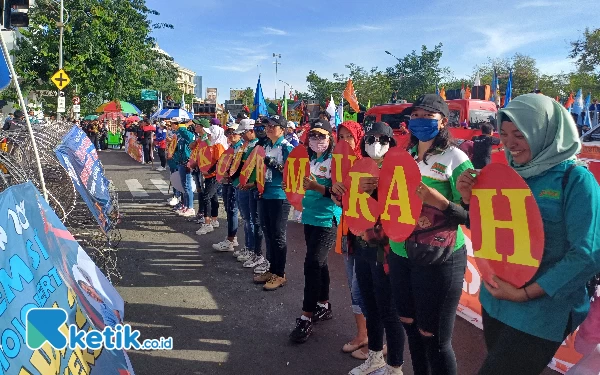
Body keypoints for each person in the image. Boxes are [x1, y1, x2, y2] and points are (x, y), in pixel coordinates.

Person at [456, 94, 600, 375]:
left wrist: (524, 294)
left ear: (544, 131)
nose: (510, 143)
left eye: (520, 134)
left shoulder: (576, 180)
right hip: (495, 299)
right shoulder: (508, 173)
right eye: (505, 134)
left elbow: (587, 254)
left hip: (543, 310)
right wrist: (467, 199)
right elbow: (490, 233)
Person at [388, 94, 472, 375]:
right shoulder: (404, 156)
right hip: (400, 252)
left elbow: (472, 216)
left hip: (439, 257)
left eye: (428, 116)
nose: (420, 121)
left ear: (443, 121)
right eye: (416, 115)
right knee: (410, 326)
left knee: (434, 339)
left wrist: (441, 202)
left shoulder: (456, 157)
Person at [288, 119, 341, 343]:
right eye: (313, 136)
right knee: (320, 264)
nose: (317, 140)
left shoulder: (335, 161)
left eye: (321, 136)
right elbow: (300, 185)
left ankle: (306, 316)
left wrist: (316, 186)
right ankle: (324, 304)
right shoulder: (309, 159)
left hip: (327, 219)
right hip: (309, 217)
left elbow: (339, 196)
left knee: (312, 265)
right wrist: (290, 187)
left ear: (330, 138)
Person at [330, 121, 369, 359]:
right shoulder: (337, 166)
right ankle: (362, 333)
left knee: (364, 288)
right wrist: (335, 194)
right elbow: (337, 200)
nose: (344, 141)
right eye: (340, 136)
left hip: (367, 236)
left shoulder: (368, 165)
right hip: (347, 232)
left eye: (349, 136)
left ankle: (377, 342)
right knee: (354, 288)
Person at [252, 115, 294, 291]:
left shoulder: (288, 147)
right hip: (264, 193)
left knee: (278, 235)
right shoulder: (265, 146)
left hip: (279, 195)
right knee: (268, 233)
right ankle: (271, 269)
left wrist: (276, 165)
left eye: (273, 126)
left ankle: (280, 273)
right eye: (267, 125)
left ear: (282, 129)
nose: (268, 128)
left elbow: (293, 172)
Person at [231, 119, 265, 271]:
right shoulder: (246, 145)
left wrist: (252, 183)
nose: (242, 135)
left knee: (252, 220)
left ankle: (253, 250)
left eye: (244, 132)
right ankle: (248, 247)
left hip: (252, 187)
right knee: (246, 218)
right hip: (242, 185)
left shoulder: (258, 146)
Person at [212, 122, 243, 251]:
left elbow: (241, 167)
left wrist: (230, 175)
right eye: (228, 133)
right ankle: (232, 238)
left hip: (234, 182)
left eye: (233, 133)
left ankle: (231, 240)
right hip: (226, 181)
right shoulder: (231, 147)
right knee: (229, 210)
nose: (230, 135)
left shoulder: (241, 148)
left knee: (232, 210)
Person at [196, 124, 229, 235]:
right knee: (213, 197)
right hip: (210, 174)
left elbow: (219, 162)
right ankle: (214, 219)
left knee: (207, 197)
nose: (208, 135)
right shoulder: (214, 145)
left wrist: (209, 171)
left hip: (214, 175)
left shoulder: (218, 146)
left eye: (210, 134)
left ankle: (207, 223)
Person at [173, 118, 196, 218]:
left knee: (187, 186)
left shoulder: (187, 134)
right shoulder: (179, 134)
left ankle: (190, 207)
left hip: (186, 162)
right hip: (180, 161)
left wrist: (183, 126)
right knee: (184, 186)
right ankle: (186, 206)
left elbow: (190, 139)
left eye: (174, 124)